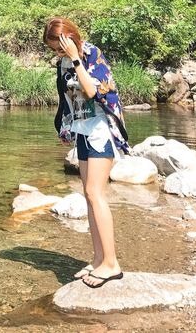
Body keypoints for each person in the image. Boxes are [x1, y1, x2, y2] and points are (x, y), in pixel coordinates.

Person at [43, 15, 129, 289]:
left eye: (59, 48)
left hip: (101, 129)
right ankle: (98, 259)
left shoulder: (91, 54)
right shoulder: (63, 63)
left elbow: (92, 91)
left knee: (95, 193)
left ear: (70, 38)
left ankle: (112, 264)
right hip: (82, 129)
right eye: (53, 50)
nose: (57, 54)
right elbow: (65, 99)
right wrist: (64, 128)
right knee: (88, 195)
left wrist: (76, 59)